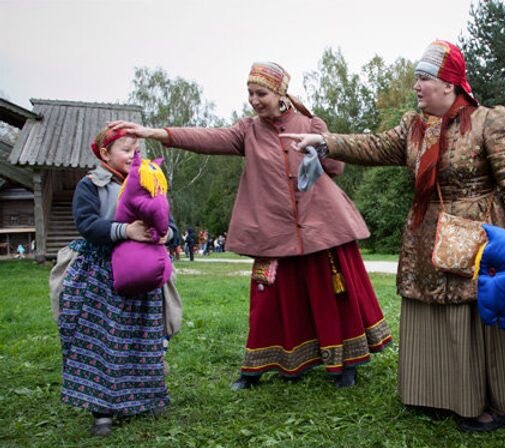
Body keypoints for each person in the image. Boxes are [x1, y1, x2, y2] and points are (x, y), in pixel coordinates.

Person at [283, 40, 505, 431]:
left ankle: (493, 403)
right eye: (417, 79)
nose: (417, 86)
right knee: (434, 313)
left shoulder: (490, 121)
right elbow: (373, 145)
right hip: (427, 234)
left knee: (478, 312)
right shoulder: (413, 126)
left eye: (425, 78)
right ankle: (439, 395)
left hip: (480, 236)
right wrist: (325, 141)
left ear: (450, 84)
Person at [109, 62, 392, 389]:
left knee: (332, 295)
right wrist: (157, 133)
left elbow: (337, 167)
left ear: (280, 92)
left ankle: (346, 366)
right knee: (268, 299)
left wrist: (319, 146)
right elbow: (208, 138)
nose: (254, 100)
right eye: (250, 93)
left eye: (261, 93)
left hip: (322, 228)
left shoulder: (310, 123)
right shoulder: (248, 131)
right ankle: (255, 370)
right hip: (272, 232)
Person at [53, 128, 177, 436]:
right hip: (101, 276)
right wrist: (125, 231)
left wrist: (167, 234)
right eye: (126, 149)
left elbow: (169, 220)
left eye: (138, 149)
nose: (134, 155)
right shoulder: (91, 184)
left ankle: (146, 397)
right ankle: (102, 410)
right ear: (105, 153)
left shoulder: (150, 180)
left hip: (141, 275)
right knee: (102, 342)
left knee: (143, 338)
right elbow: (87, 224)